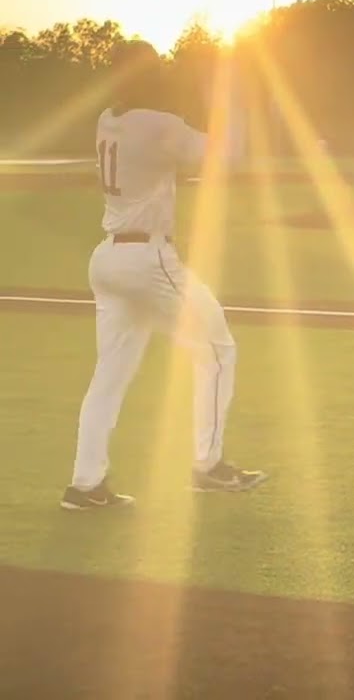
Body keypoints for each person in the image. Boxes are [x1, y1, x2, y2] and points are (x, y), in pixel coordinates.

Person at [62, 41, 268, 511]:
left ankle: (85, 484)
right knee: (217, 350)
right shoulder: (159, 124)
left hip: (109, 260)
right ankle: (208, 467)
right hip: (148, 260)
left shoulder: (107, 119)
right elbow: (228, 157)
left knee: (108, 378)